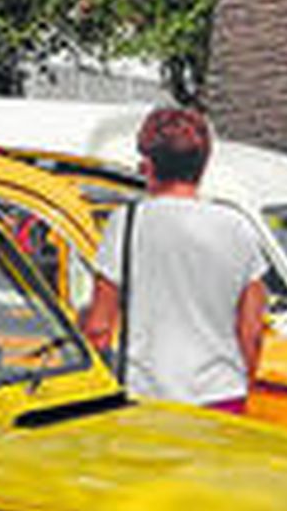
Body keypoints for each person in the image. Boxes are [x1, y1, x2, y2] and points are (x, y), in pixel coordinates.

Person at [81, 108, 268, 412]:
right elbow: (252, 331)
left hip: (147, 394)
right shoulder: (238, 227)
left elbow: (99, 328)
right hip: (222, 394)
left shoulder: (125, 224)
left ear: (149, 165)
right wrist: (242, 379)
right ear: (204, 164)